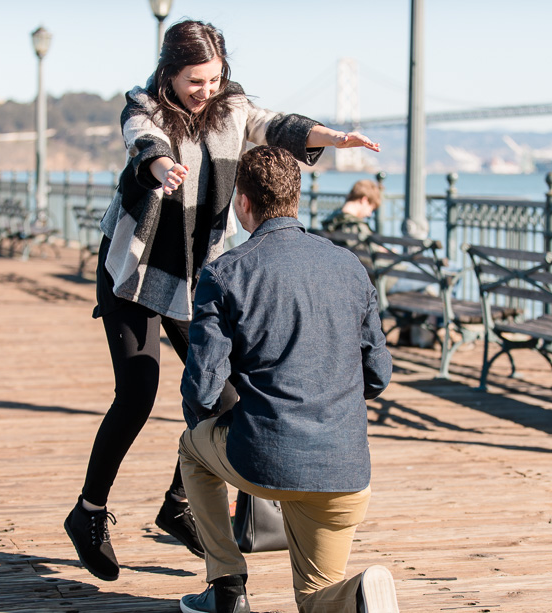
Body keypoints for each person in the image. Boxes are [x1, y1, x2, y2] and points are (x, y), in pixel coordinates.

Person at [63, 19, 381, 584]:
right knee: (136, 393)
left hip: (196, 272)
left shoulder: (231, 107)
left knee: (229, 396)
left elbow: (272, 124)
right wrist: (161, 168)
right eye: (194, 81)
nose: (205, 89)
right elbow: (145, 144)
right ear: (169, 75)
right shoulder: (144, 106)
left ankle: (177, 502)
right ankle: (88, 513)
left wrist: (331, 139)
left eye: (213, 78)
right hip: (135, 271)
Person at [177, 145, 399, 613]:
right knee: (317, 600)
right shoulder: (351, 268)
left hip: (266, 459)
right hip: (345, 470)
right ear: (295, 197)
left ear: (243, 202)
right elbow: (378, 375)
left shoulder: (224, 273)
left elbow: (202, 388)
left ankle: (226, 588)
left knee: (192, 447)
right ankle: (361, 591)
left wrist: (220, 420)